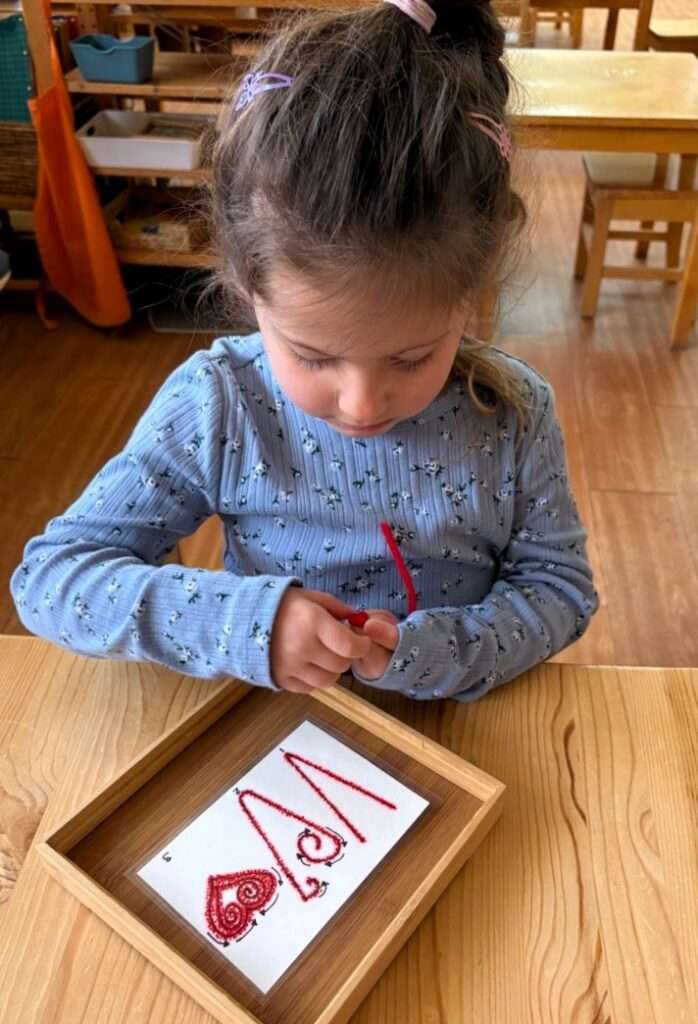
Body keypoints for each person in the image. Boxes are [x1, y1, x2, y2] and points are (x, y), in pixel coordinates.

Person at [10, 0, 598, 701]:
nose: (360, 404)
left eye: (412, 358)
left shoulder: (513, 412)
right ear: (243, 281)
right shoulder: (220, 403)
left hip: (466, 728)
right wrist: (245, 624)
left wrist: (431, 653)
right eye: (314, 356)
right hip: (271, 737)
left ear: (474, 293)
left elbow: (560, 589)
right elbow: (54, 577)